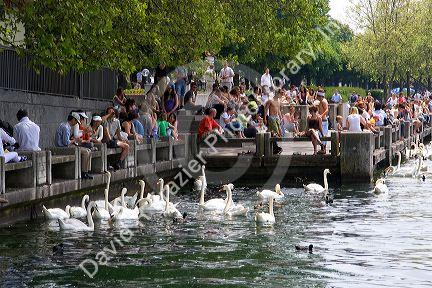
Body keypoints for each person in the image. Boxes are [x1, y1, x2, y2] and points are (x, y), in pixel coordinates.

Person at [55, 112, 93, 179]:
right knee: (86, 152)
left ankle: (87, 171)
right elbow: (66, 143)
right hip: (63, 148)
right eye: (76, 121)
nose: (76, 123)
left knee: (89, 150)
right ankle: (84, 172)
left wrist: (74, 140)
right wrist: (75, 140)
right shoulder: (66, 127)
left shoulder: (65, 125)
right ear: (73, 119)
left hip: (65, 146)